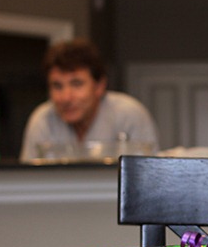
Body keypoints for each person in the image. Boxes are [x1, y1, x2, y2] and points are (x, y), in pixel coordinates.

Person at [20, 38, 159, 162]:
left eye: (76, 84)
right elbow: (28, 180)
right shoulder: (42, 120)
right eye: (57, 86)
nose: (66, 98)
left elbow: (148, 175)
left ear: (99, 86)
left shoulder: (129, 115)